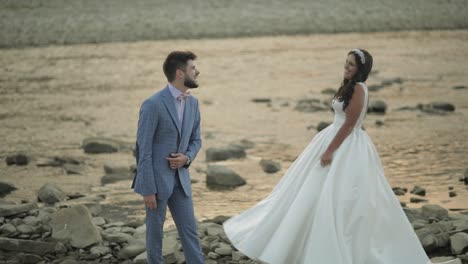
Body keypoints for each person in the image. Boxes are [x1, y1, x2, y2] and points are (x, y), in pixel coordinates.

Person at [223, 49, 454, 264]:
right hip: (332, 136)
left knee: (340, 195)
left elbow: (350, 125)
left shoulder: (359, 89)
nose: (346, 67)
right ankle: (302, 238)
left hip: (345, 144)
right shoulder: (350, 85)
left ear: (361, 69)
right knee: (309, 190)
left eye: (351, 64)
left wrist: (330, 150)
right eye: (346, 62)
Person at [131, 51, 204, 264]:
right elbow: (142, 149)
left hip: (181, 182)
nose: (197, 71)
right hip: (156, 183)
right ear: (180, 73)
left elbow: (196, 140)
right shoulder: (153, 104)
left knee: (190, 233)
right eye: (193, 68)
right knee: (155, 236)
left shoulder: (193, 103)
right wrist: (147, 188)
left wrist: (187, 158)